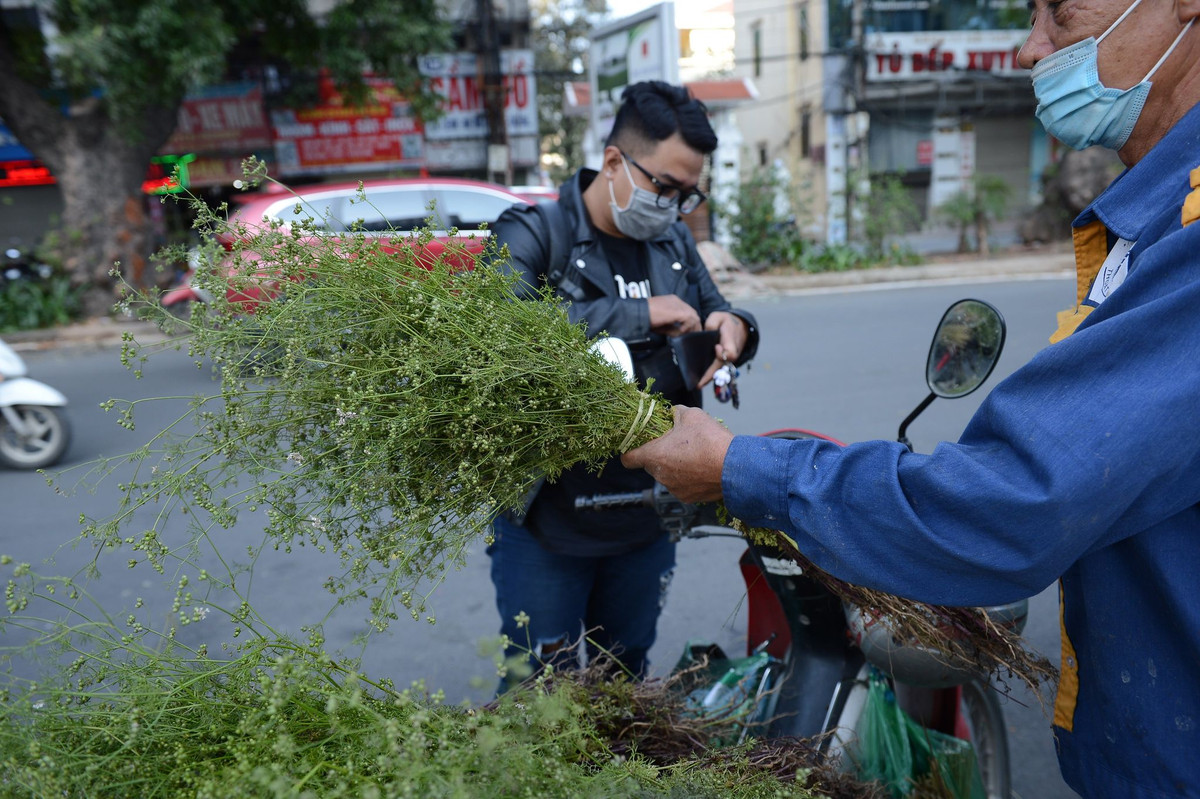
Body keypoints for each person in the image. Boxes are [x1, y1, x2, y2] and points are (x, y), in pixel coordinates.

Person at [622, 2, 1200, 797]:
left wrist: (738, 464)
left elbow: (1019, 495)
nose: (1031, 49)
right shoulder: (1153, 216)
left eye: (1061, 15)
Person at [486, 81, 759, 690]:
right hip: (548, 520)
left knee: (623, 683)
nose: (674, 206)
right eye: (666, 186)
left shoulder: (673, 241)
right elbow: (497, 340)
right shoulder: (535, 233)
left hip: (647, 516)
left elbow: (718, 310)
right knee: (540, 693)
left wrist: (733, 328)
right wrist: (640, 314)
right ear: (614, 161)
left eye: (689, 195)